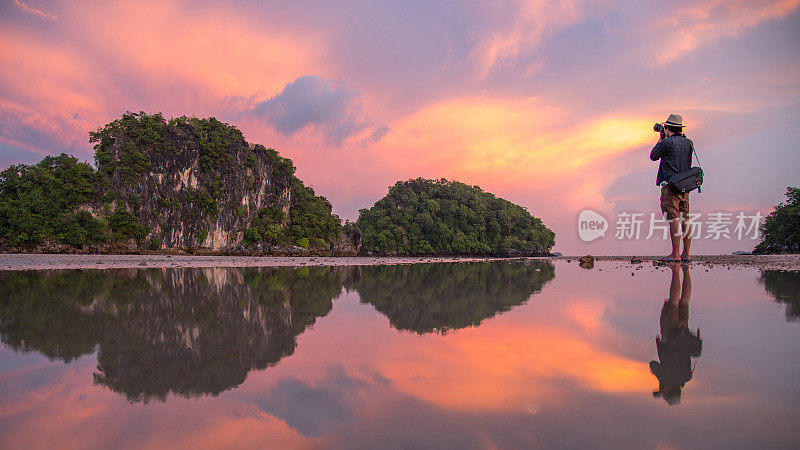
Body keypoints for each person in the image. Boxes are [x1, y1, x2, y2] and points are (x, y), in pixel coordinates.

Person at [650, 262, 702, 405]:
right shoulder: (666, 378)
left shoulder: (686, 378)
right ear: (668, 391)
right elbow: (653, 364)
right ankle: (676, 272)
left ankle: (685, 271)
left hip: (683, 334)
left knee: (684, 302)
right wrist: (661, 382)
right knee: (673, 303)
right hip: (670, 334)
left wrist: (662, 384)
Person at [650, 114, 694, 263]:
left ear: (668, 129)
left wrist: (661, 138)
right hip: (685, 186)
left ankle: (675, 253)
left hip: (670, 186)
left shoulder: (667, 143)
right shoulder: (688, 142)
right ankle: (686, 254)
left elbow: (653, 156)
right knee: (685, 219)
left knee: (673, 219)